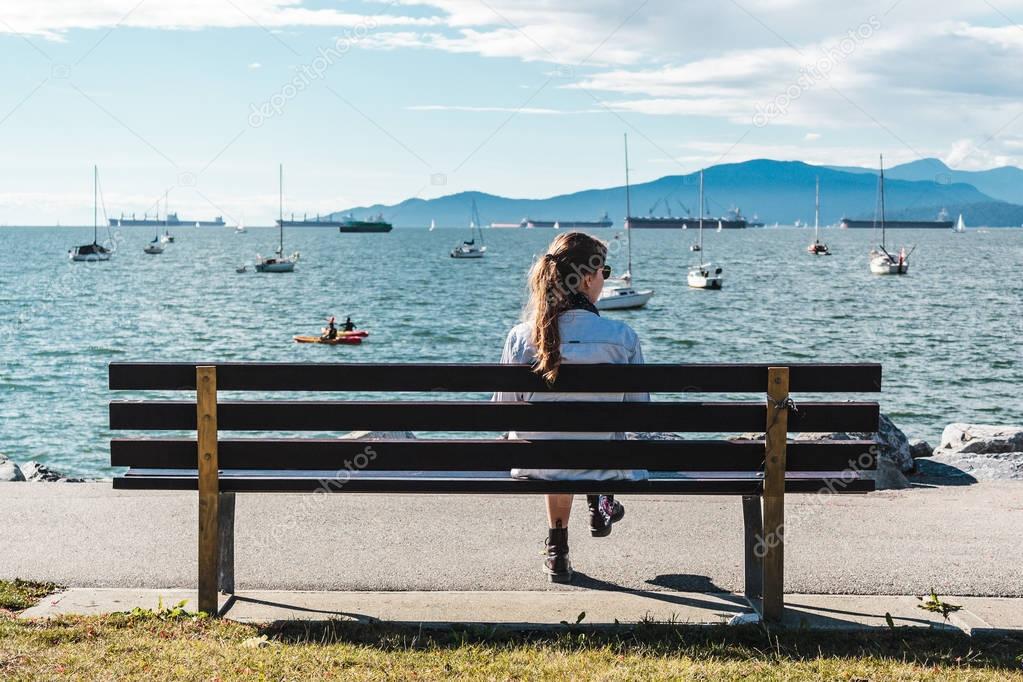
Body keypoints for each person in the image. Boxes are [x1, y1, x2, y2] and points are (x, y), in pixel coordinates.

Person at [493, 232, 648, 583]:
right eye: (604, 271)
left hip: (538, 464)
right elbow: (641, 412)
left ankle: (557, 549)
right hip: (601, 462)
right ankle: (602, 500)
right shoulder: (622, 337)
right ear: (588, 278)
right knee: (597, 441)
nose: (605, 279)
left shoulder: (521, 337)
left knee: (553, 447)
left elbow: (501, 410)